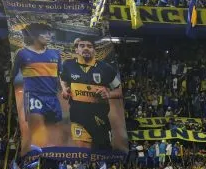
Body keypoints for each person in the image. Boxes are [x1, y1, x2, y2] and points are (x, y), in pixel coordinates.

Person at [60, 36, 127, 152]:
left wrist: (109, 94)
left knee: (102, 152)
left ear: (94, 51)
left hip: (100, 119)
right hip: (78, 117)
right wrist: (64, 89)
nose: (86, 48)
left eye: (89, 46)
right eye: (82, 46)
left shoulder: (105, 68)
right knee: (84, 151)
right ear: (76, 50)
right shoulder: (68, 65)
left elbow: (120, 90)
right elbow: (63, 79)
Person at [13, 22, 65, 154]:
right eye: (45, 33)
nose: (49, 36)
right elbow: (13, 76)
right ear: (35, 35)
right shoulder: (22, 54)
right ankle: (33, 156)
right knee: (37, 131)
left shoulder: (55, 54)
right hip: (33, 96)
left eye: (49, 33)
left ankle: (51, 159)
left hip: (52, 98)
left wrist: (64, 89)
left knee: (54, 134)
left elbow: (61, 75)